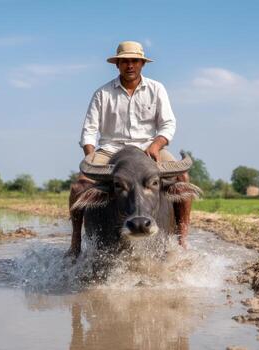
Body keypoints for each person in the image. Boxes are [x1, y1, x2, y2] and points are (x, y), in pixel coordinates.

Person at [67, 41, 192, 258]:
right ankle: (75, 242)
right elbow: (89, 130)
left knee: (182, 176)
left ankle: (182, 239)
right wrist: (90, 157)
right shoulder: (103, 93)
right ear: (117, 65)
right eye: (125, 61)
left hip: (148, 149)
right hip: (110, 151)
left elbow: (168, 124)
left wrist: (156, 145)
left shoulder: (156, 89)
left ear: (142, 64)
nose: (130, 65)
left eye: (134, 61)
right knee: (80, 186)